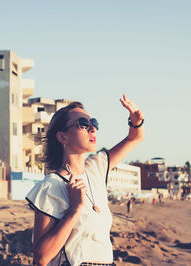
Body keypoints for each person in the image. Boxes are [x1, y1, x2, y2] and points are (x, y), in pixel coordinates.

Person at [26, 94, 144, 266]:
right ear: (62, 137)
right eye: (83, 124)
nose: (93, 129)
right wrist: (74, 208)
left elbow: (135, 138)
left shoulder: (97, 167)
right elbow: (41, 257)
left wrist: (135, 121)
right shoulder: (52, 185)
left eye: (94, 123)